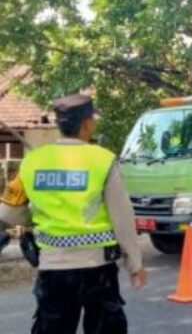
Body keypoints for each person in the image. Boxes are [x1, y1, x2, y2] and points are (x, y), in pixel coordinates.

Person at [0, 94, 146, 334]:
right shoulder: (103, 160)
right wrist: (135, 264)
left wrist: (38, 216)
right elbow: (122, 219)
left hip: (53, 268)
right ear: (87, 123)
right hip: (98, 268)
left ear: (59, 124)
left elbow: (8, 212)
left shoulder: (32, 162)